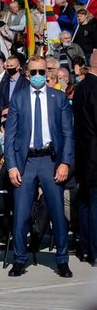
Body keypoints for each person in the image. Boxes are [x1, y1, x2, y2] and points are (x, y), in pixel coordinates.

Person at [4, 56, 74, 278]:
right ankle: (19, 259)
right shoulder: (19, 98)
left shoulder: (58, 98)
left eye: (41, 72)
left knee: (56, 212)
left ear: (47, 73)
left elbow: (67, 133)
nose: (37, 76)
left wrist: (65, 162)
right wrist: (12, 166)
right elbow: (11, 136)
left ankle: (62, 259)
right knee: (21, 213)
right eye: (33, 72)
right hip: (26, 162)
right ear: (27, 73)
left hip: (50, 160)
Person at [72, 51, 97, 267]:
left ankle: (87, 248)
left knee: (86, 204)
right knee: (94, 204)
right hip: (94, 155)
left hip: (83, 155)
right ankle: (94, 250)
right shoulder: (94, 88)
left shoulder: (81, 87)